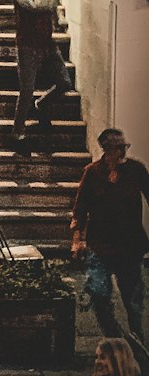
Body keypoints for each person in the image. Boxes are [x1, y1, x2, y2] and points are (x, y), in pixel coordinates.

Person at [71, 128, 149, 343]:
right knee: (98, 292)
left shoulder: (136, 170)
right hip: (100, 246)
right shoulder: (93, 172)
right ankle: (114, 338)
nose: (123, 151)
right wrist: (77, 240)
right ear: (106, 149)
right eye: (118, 147)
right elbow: (80, 209)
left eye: (125, 147)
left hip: (130, 247)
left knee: (133, 303)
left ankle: (137, 342)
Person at [12, 0, 70, 147]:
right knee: (27, 90)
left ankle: (42, 104)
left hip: (47, 44)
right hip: (27, 46)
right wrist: (50, 5)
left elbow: (52, 10)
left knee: (64, 83)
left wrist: (58, 17)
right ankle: (18, 132)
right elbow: (34, 6)